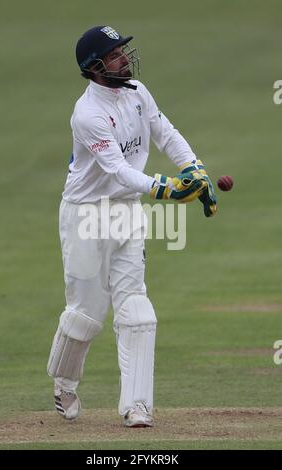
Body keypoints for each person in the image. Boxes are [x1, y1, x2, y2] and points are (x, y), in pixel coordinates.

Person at [47, 25, 217, 428]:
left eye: (124, 49)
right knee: (87, 313)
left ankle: (137, 405)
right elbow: (118, 170)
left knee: (136, 308)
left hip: (126, 211)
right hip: (86, 214)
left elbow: (165, 132)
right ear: (95, 66)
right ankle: (64, 383)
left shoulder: (138, 92)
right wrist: (169, 189)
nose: (125, 57)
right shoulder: (87, 114)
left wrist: (194, 169)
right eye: (116, 53)